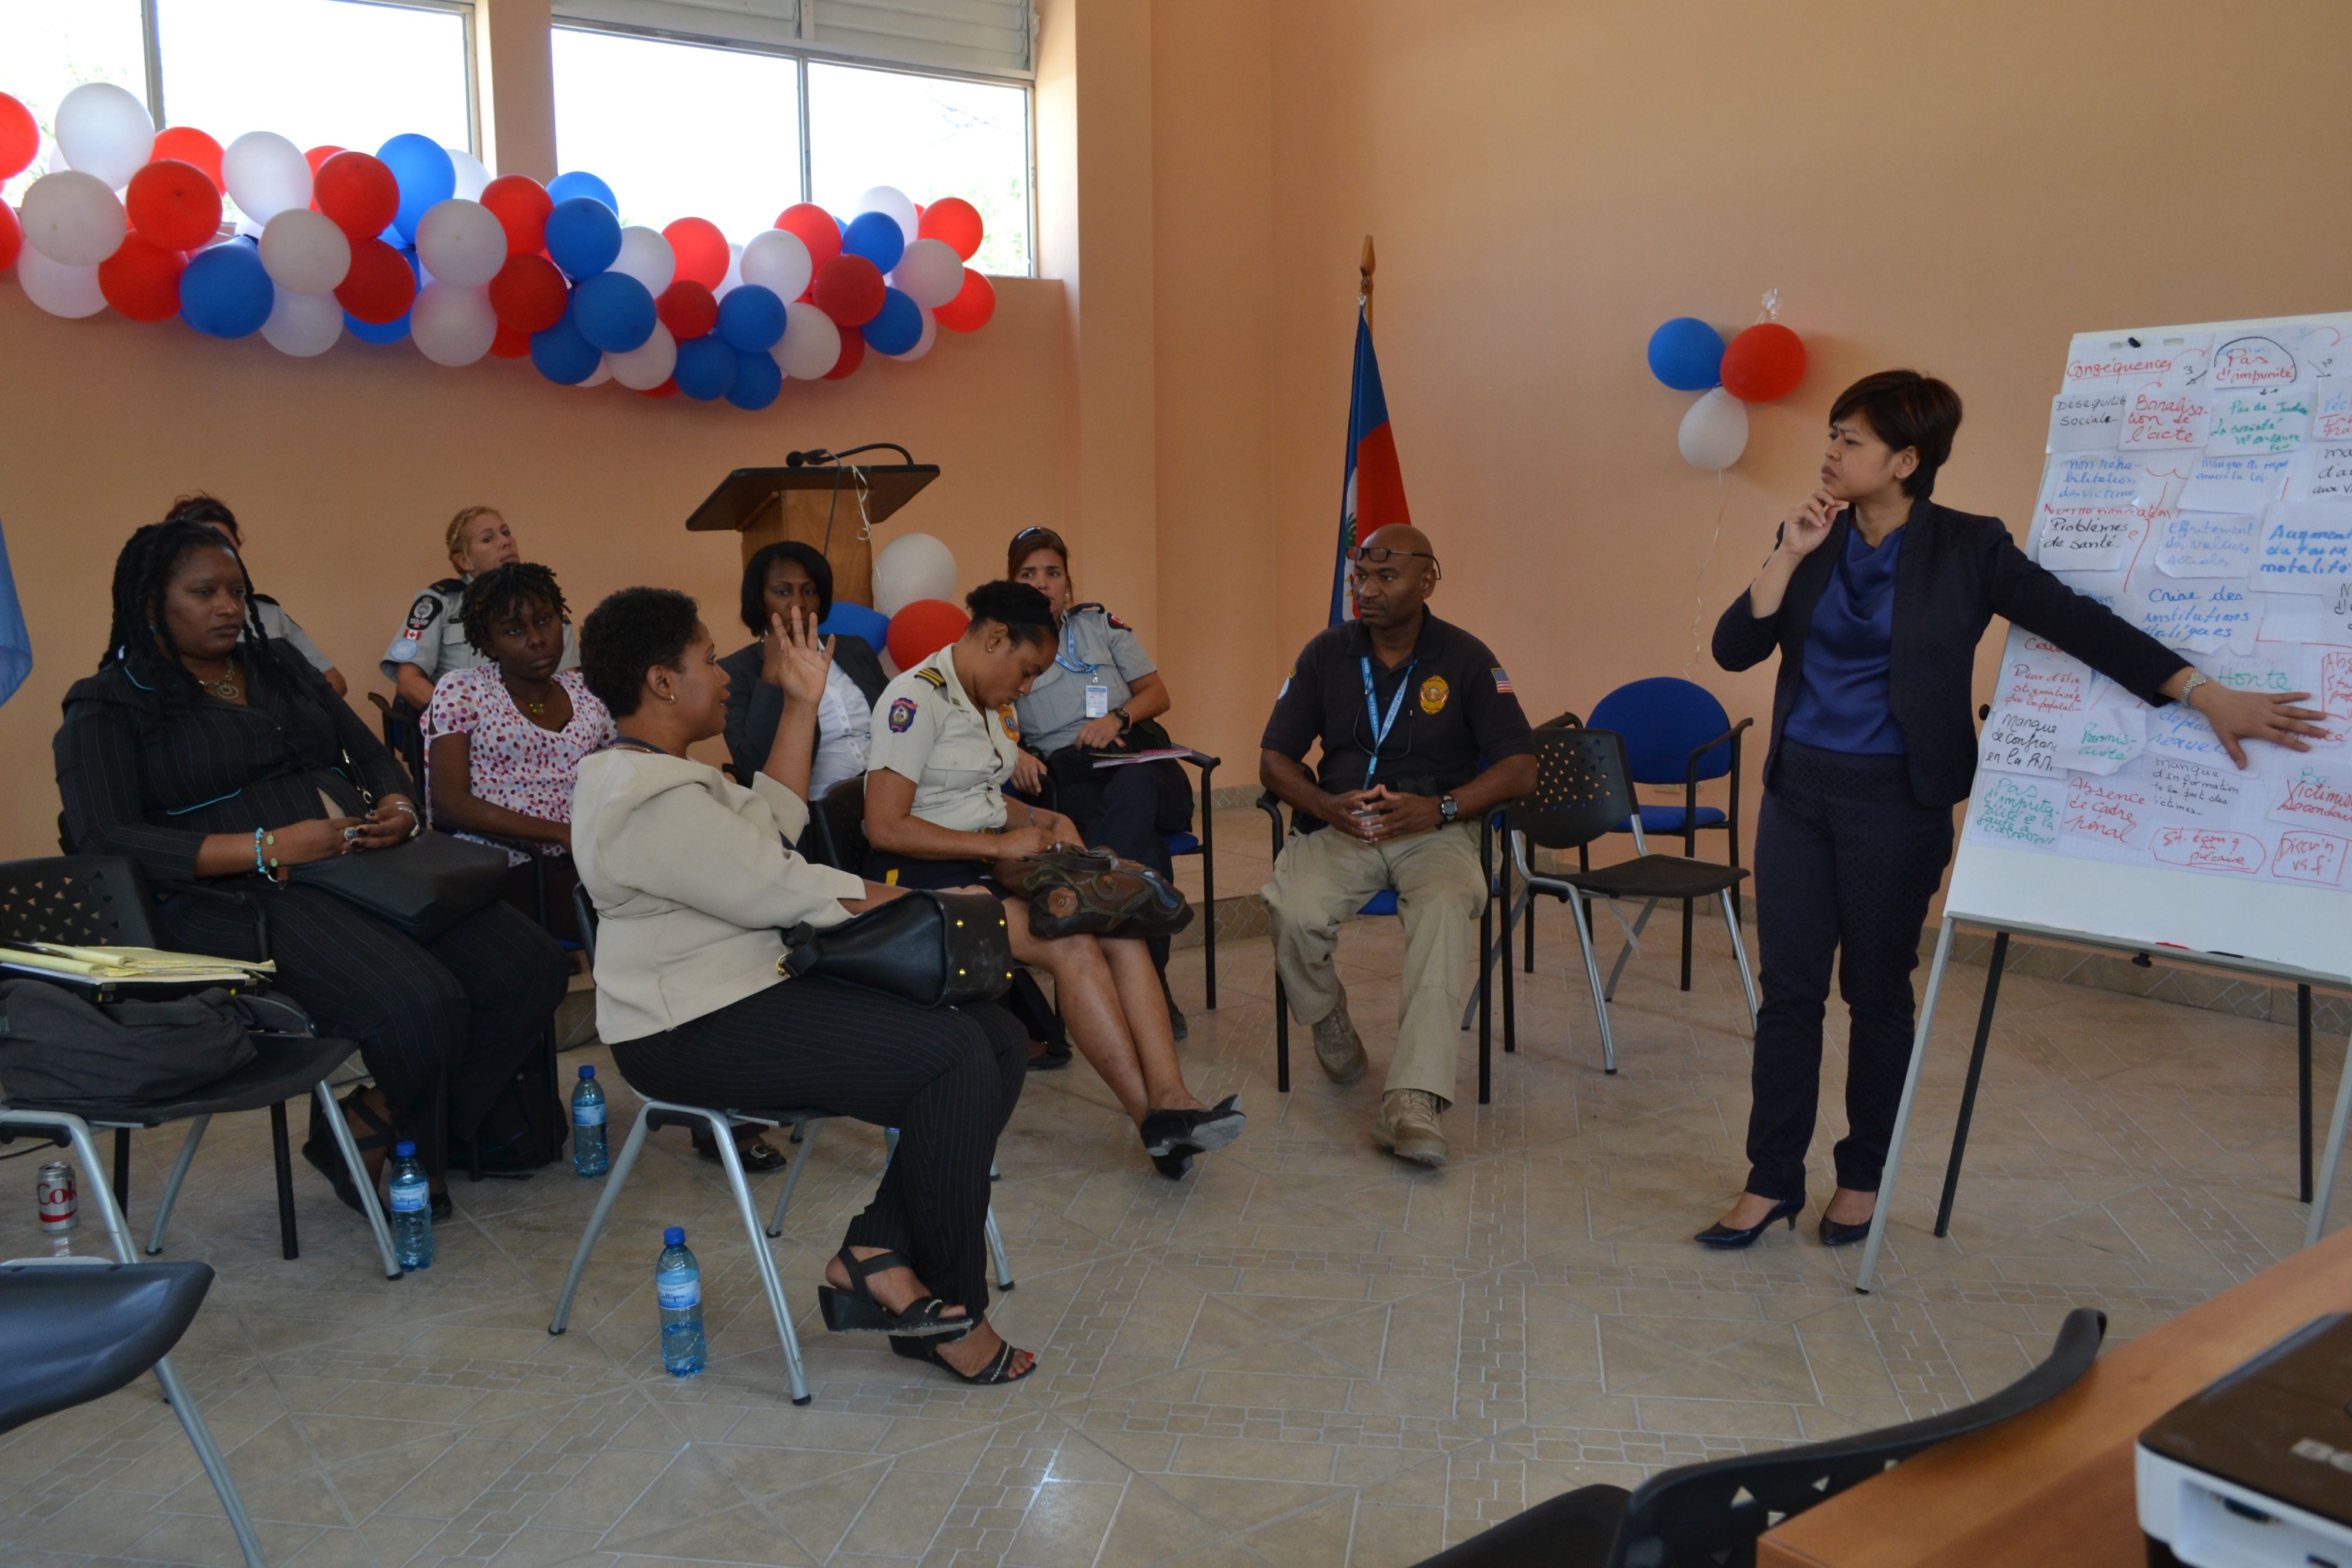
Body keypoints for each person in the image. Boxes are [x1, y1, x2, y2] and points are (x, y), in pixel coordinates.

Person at [1704, 370, 2327, 1251]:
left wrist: (2201, 691)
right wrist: (1787, 553)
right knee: (1789, 994)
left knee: (1877, 994)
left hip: (1896, 802)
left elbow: (2081, 623)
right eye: (1833, 434)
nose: (1831, 451)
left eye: (1851, 438)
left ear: (1908, 459)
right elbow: (1737, 648)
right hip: (1798, 791)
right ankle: (1770, 1179)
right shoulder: (1810, 534)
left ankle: (1862, 1174)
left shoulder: (1967, 547)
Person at [570, 585, 1036, 1384]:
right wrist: (939, 900)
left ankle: (877, 1250)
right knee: (956, 1053)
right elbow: (784, 883)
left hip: (745, 989)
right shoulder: (640, 796)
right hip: (684, 1028)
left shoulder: (664, 775)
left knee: (996, 1035)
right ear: (660, 681)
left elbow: (771, 825)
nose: (724, 674)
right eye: (709, 659)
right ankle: (950, 1312)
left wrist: (800, 705)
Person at [55, 519, 569, 1216]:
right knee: (420, 1003)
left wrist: (396, 804)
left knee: (529, 968)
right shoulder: (109, 703)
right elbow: (103, 839)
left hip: (360, 866)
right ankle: (410, 1148)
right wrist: (267, 848)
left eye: (237, 591)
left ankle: (381, 1125)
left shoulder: (278, 668)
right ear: (150, 604)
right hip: (228, 900)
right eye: (204, 592)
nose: (229, 608)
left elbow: (371, 750)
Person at [862, 580, 1243, 1177]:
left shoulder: (984, 703)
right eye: (1026, 670)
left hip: (985, 863)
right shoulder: (914, 699)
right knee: (1070, 944)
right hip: (921, 880)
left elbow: (978, 796)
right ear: (993, 639)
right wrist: (998, 843)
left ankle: (1173, 1098)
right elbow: (884, 826)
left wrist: (1043, 819)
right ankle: (1152, 1120)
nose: (1027, 687)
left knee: (1119, 926)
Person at [1259, 523, 1536, 1170]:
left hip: (1433, 830)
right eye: (1361, 577)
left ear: (1427, 580)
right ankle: (1326, 1014)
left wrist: (1440, 807)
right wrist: (1325, 804)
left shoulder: (1467, 659)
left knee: (1445, 908)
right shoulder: (1326, 653)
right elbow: (1275, 759)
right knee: (1291, 909)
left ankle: (1413, 1098)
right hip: (1342, 823)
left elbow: (1520, 766)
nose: (1367, 589)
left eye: (1386, 577)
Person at [1006, 526, 1196, 1039]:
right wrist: (1014, 750)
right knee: (1145, 848)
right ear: (1012, 581)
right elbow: (982, 717)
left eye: (1053, 572)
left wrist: (1118, 718)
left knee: (1135, 792)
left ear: (1068, 583)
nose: (1043, 583)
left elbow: (1157, 692)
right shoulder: (1001, 642)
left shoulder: (1099, 625)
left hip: (1138, 759)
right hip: (1070, 777)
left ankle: (1101, 906)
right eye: (1029, 574)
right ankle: (1152, 987)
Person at [422, 562, 613, 945]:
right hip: (504, 862)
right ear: (489, 643)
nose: (536, 638)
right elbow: (448, 803)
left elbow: (623, 767)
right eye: (514, 630)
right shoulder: (464, 690)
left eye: (545, 620)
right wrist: (559, 832)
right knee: (627, 918)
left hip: (586, 854)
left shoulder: (589, 693)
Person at [721, 541, 888, 796]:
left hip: (890, 793)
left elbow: (896, 718)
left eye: (810, 592)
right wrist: (772, 673)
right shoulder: (735, 671)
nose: (798, 603)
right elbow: (753, 770)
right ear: (758, 601)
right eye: (782, 592)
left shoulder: (855, 649)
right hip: (816, 814)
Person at [383, 505, 577, 713]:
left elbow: (570, 681)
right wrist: (457, 721)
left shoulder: (543, 602)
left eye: (506, 533)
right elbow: (409, 681)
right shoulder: (440, 602)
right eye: (488, 539)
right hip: (463, 726)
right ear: (464, 561)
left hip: (537, 725)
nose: (506, 542)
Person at [167, 493, 349, 697]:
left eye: (224, 547)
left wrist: (288, 713)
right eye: (201, 547)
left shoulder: (267, 614)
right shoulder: (164, 624)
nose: (215, 558)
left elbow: (334, 682)